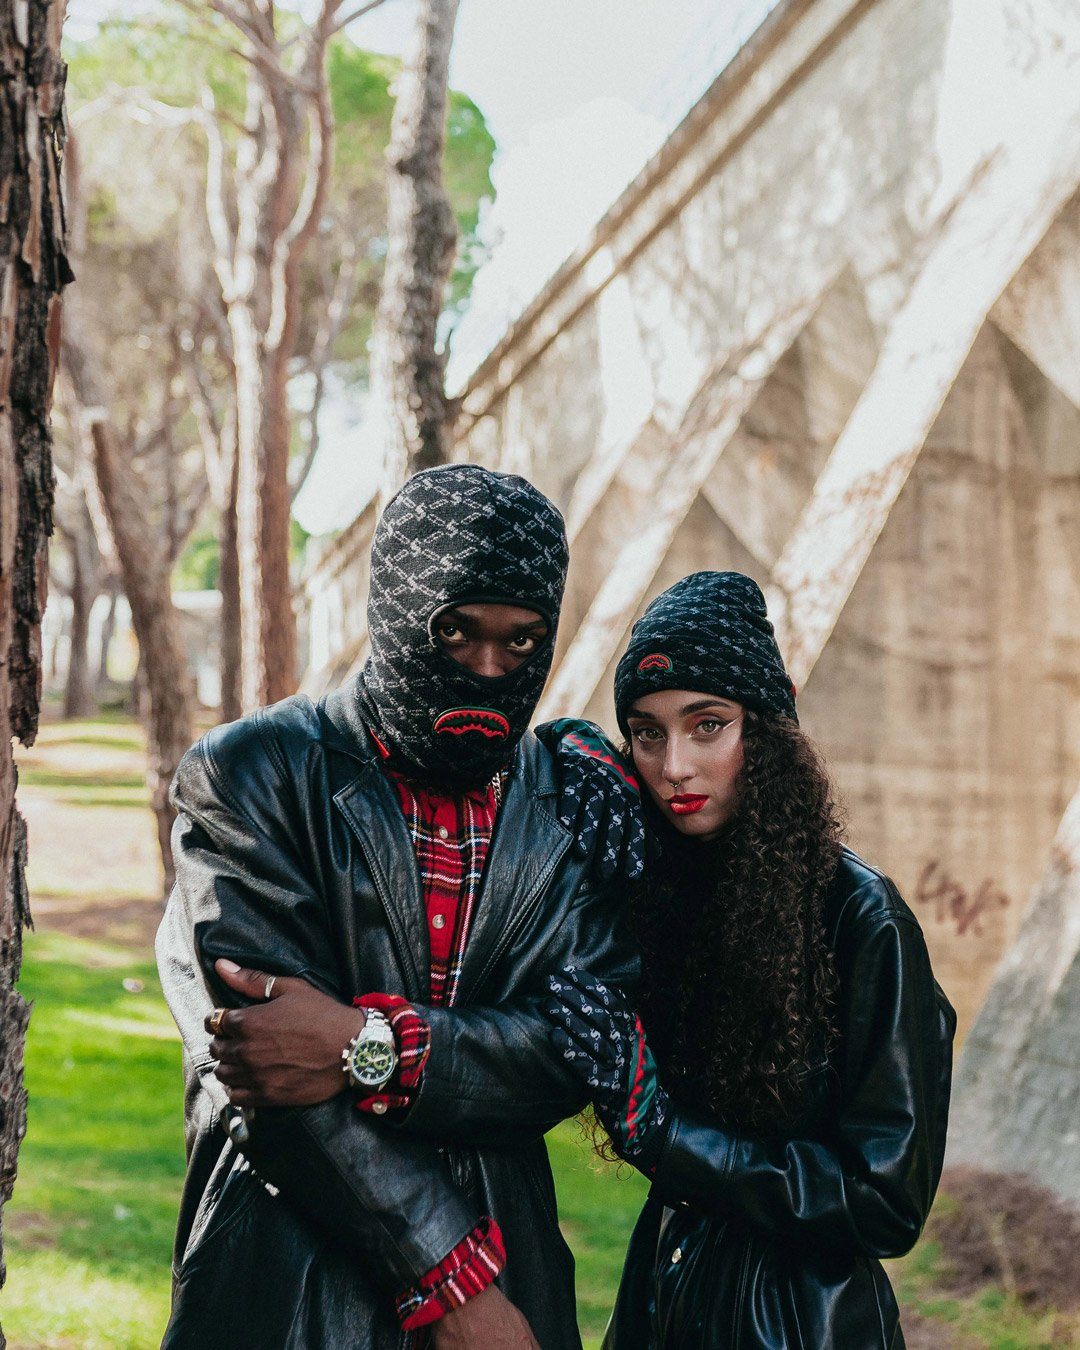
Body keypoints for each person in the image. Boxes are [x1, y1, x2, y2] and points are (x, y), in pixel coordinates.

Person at [155, 464, 637, 1349]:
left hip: (516, 1259)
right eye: (455, 630)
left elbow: (569, 1051)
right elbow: (265, 1071)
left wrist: (364, 1043)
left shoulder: (573, 801)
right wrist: (458, 1290)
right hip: (294, 1285)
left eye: (523, 641)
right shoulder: (253, 774)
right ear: (395, 610)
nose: (488, 667)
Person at [540, 570, 956, 1349]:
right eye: (646, 732)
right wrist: (559, 749)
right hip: (660, 1296)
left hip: (797, 1322)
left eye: (708, 726)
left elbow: (886, 1202)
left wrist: (668, 1136)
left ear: (764, 732)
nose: (674, 766)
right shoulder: (659, 887)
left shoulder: (863, 919)